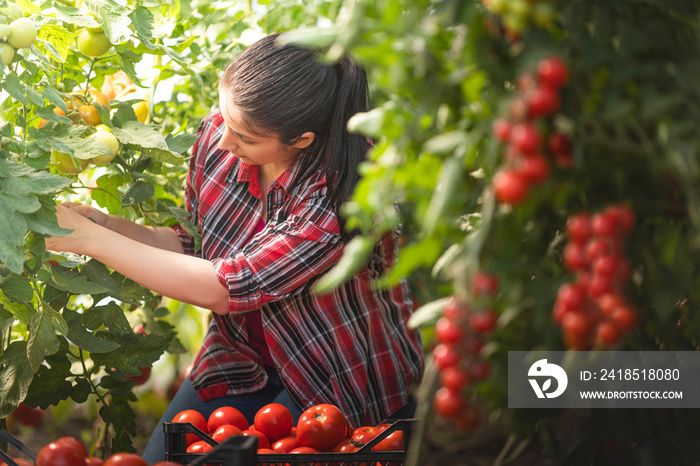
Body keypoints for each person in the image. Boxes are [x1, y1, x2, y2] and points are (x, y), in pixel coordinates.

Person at [46, 32, 424, 462]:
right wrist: (108, 225)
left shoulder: (345, 196)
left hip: (337, 372)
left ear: (301, 140)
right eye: (225, 120)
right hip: (238, 360)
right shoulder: (222, 136)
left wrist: (90, 240)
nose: (223, 141)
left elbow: (225, 288)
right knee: (162, 459)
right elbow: (193, 244)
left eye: (244, 137)